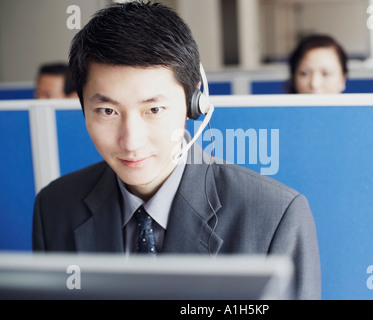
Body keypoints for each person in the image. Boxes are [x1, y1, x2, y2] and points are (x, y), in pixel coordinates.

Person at [32, 1, 321, 299]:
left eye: (154, 109)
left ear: (192, 104)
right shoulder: (55, 208)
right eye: (107, 111)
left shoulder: (274, 216)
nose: (131, 141)